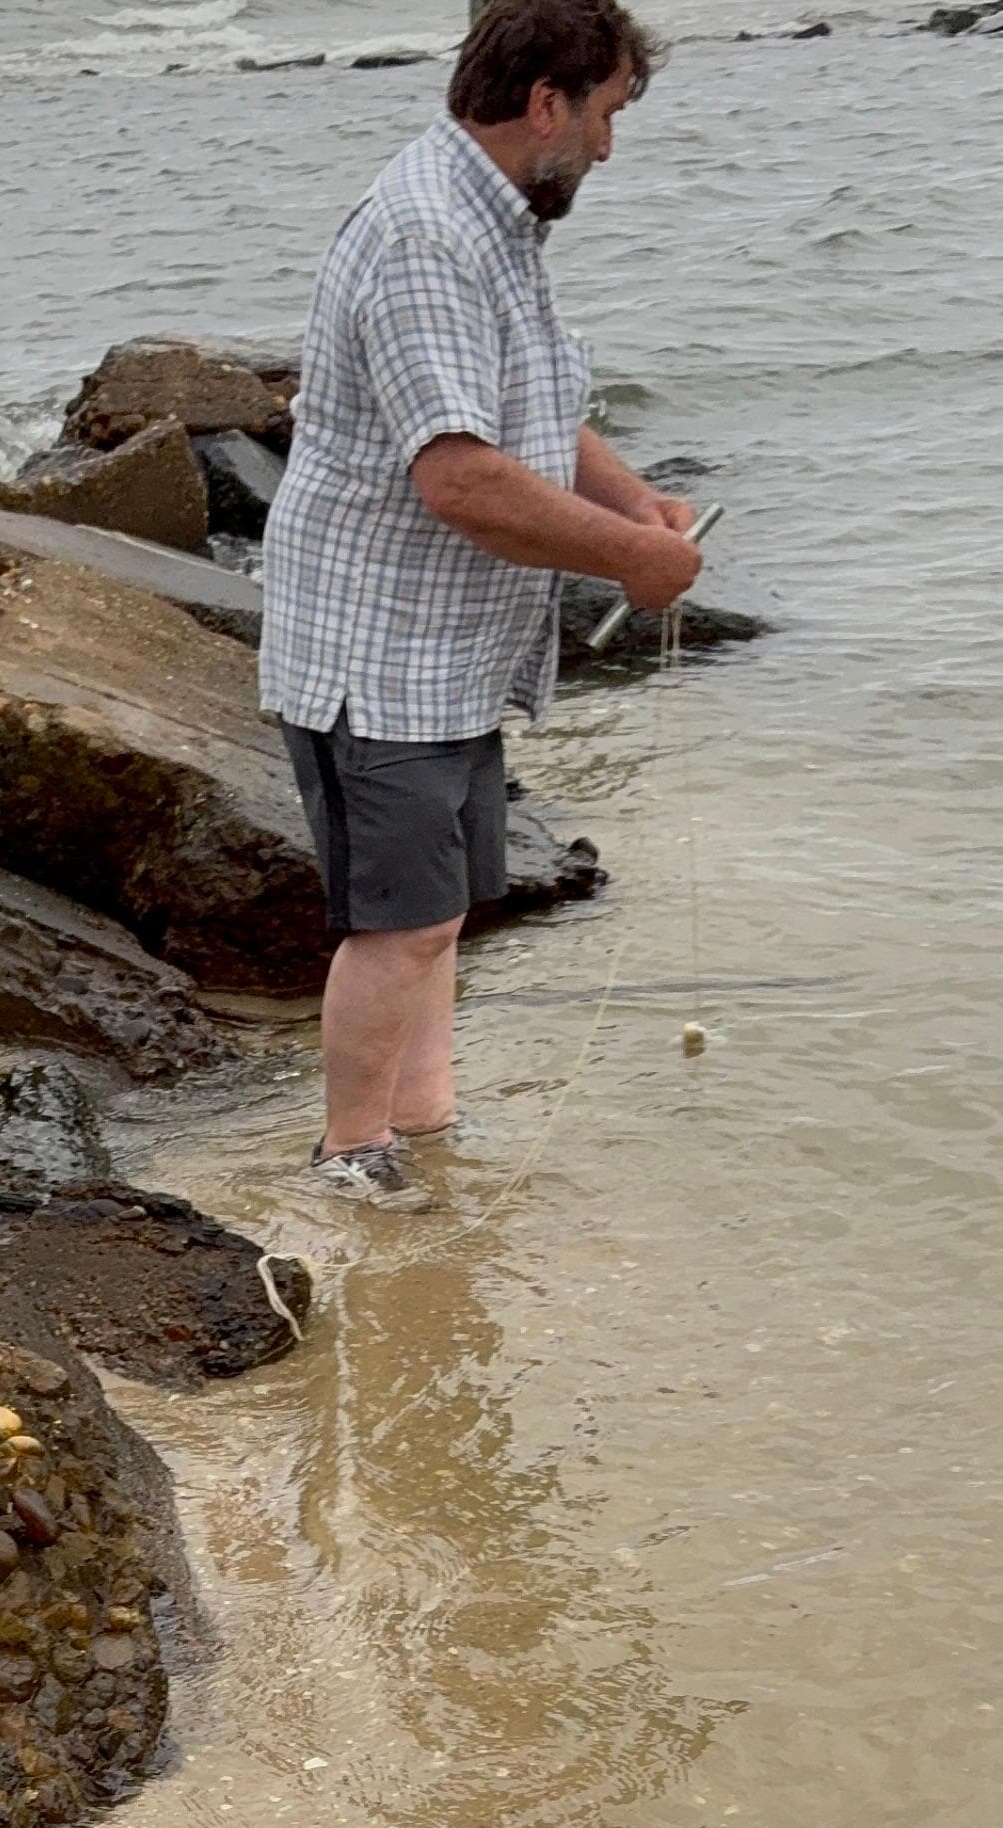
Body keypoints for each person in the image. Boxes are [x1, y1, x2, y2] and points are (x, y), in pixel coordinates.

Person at [259, 0, 703, 1206]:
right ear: (546, 102)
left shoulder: (493, 224)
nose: (610, 149)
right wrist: (627, 561)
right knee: (396, 924)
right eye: (607, 116)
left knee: (438, 917)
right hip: (378, 645)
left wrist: (634, 500)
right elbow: (458, 475)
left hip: (447, 648)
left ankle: (424, 1127)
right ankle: (349, 1157)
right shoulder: (427, 238)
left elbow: (531, 416)